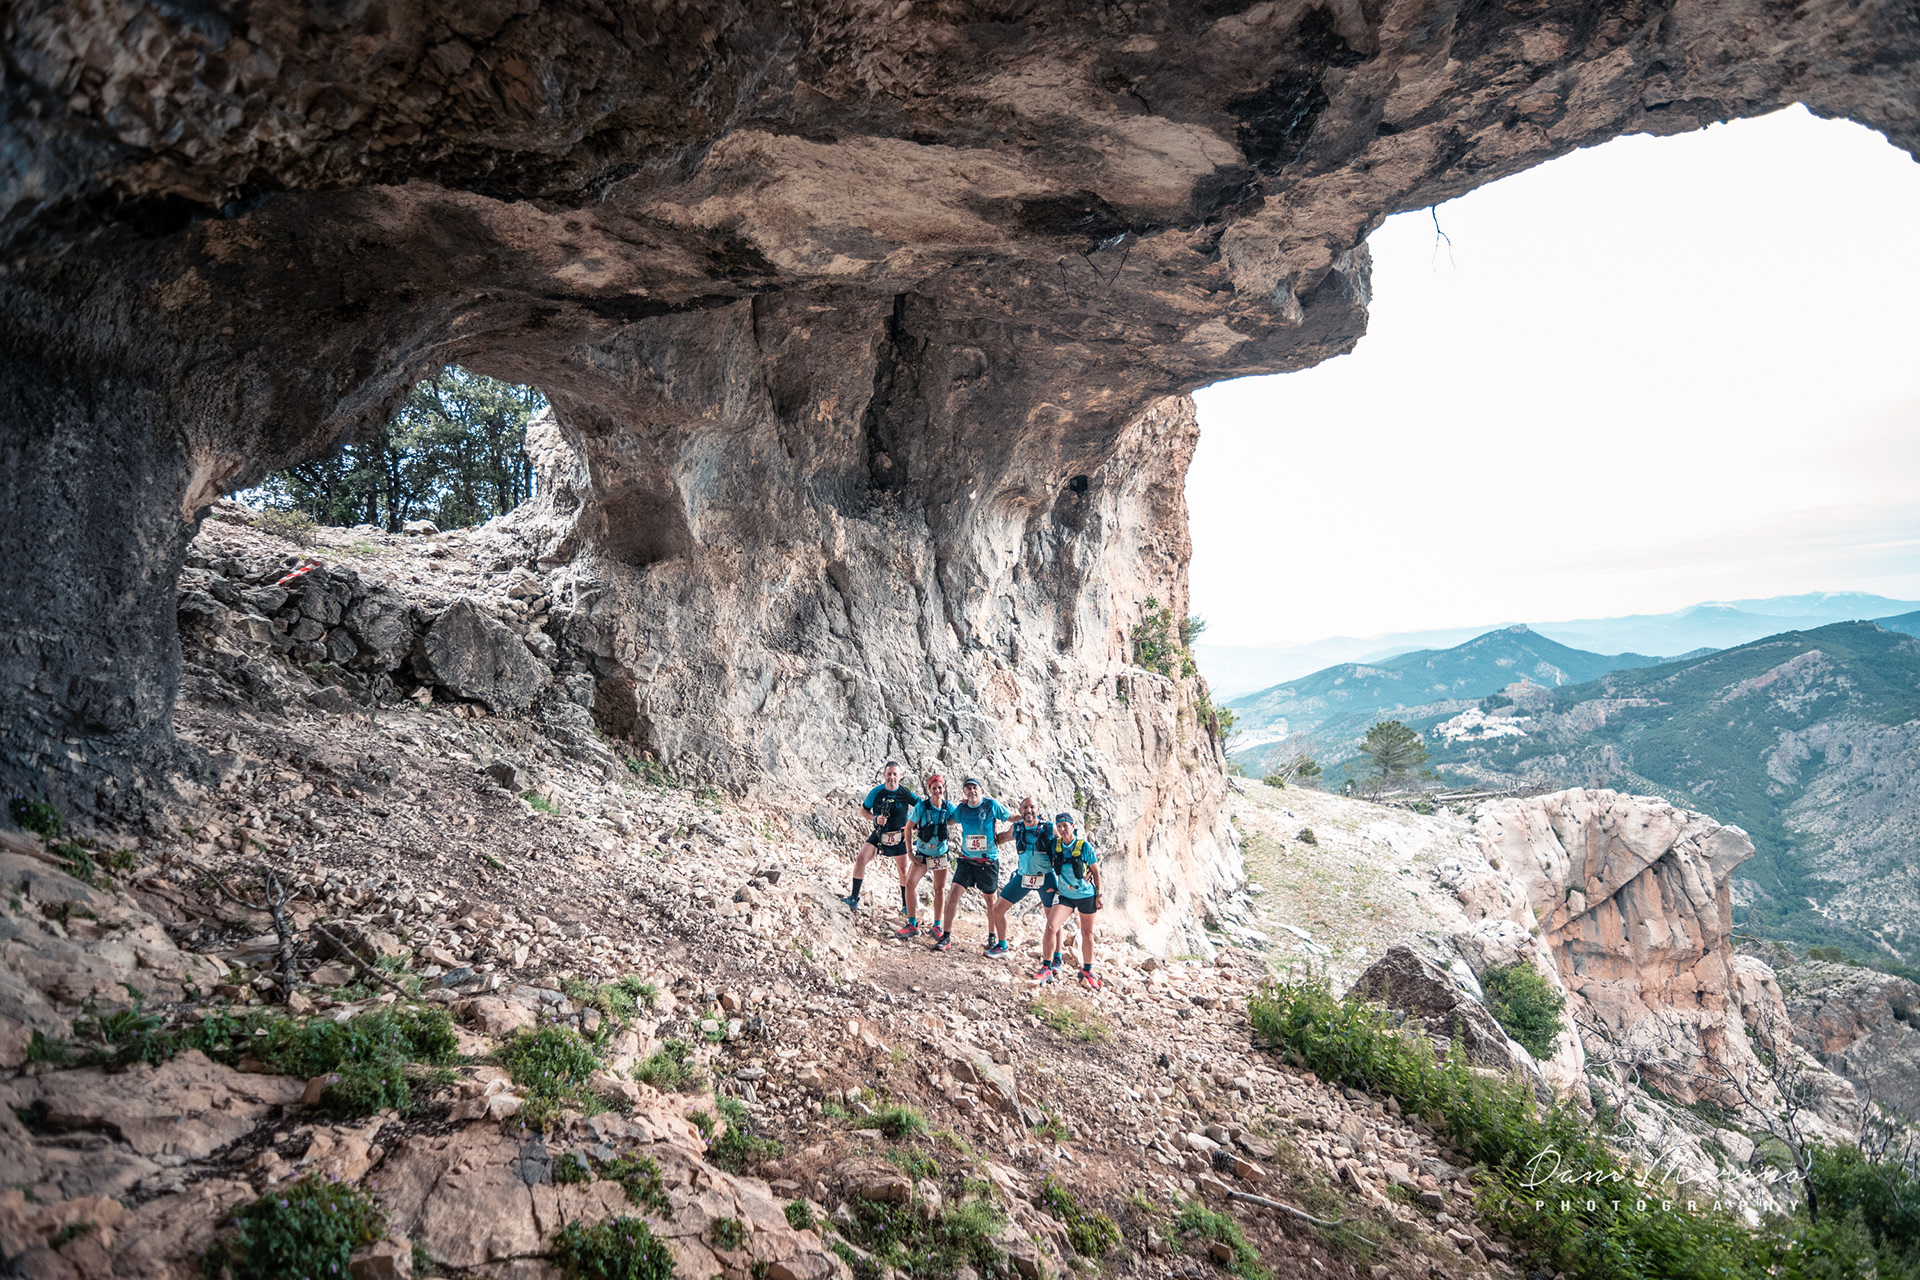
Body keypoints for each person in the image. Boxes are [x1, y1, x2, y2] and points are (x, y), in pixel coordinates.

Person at [931, 776, 1008, 952]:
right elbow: (949, 819)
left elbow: (1010, 817)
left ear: (981, 790)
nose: (972, 791)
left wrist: (1028, 821)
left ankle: (992, 937)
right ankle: (946, 936)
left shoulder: (991, 805)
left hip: (988, 861)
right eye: (968, 788)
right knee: (953, 894)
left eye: (975, 788)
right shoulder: (962, 808)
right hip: (967, 860)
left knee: (991, 900)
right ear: (964, 792)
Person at [843, 762, 920, 913]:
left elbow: (923, 807)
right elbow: (863, 810)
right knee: (861, 858)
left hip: (900, 837)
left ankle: (906, 907)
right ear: (884, 775)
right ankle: (853, 898)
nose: (892, 777)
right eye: (889, 774)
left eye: (895, 774)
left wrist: (913, 826)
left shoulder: (905, 793)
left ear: (900, 776)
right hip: (880, 834)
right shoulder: (876, 792)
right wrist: (874, 818)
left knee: (903, 871)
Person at [1038, 811, 1103, 988]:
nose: (1062, 829)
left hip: (1086, 896)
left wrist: (1099, 895)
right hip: (1065, 895)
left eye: (1065, 826)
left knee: (1087, 934)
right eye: (1059, 826)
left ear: (1073, 826)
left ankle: (1087, 970)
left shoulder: (1084, 846)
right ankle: (1047, 967)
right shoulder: (1056, 845)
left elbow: (1095, 871)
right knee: (1051, 926)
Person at [986, 796, 1054, 956]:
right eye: (1025, 808)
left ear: (1038, 810)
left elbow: (1067, 842)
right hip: (1023, 877)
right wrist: (985, 835)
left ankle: (1056, 957)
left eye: (1032, 807)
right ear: (1020, 811)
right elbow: (1002, 838)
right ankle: (1002, 946)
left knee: (1053, 920)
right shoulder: (1017, 828)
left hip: (1046, 878)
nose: (1028, 810)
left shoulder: (1049, 828)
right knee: (997, 909)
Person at [896, 772, 955, 938]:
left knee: (939, 889)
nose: (937, 791)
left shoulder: (949, 807)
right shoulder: (921, 807)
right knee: (910, 884)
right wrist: (909, 852)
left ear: (944, 788)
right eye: (934, 788)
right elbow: (908, 828)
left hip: (941, 854)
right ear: (930, 789)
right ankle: (912, 924)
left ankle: (937, 925)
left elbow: (959, 817)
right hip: (922, 854)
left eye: (939, 788)